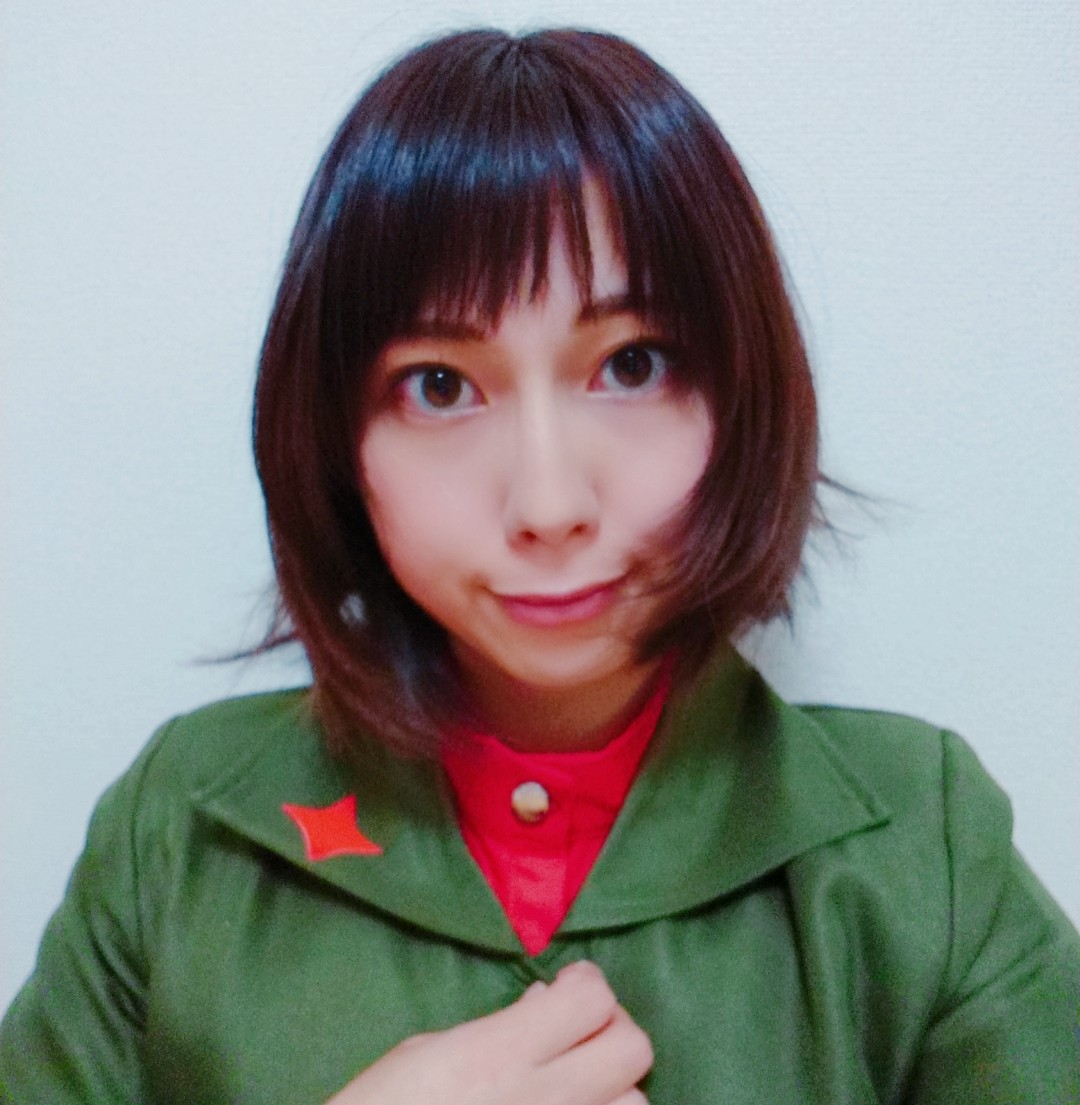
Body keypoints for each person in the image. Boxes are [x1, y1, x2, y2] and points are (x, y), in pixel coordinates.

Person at [1, 27, 1076, 1105]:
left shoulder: (920, 846)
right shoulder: (180, 826)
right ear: (334, 436)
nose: (550, 505)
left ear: (740, 390)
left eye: (632, 365)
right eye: (439, 386)